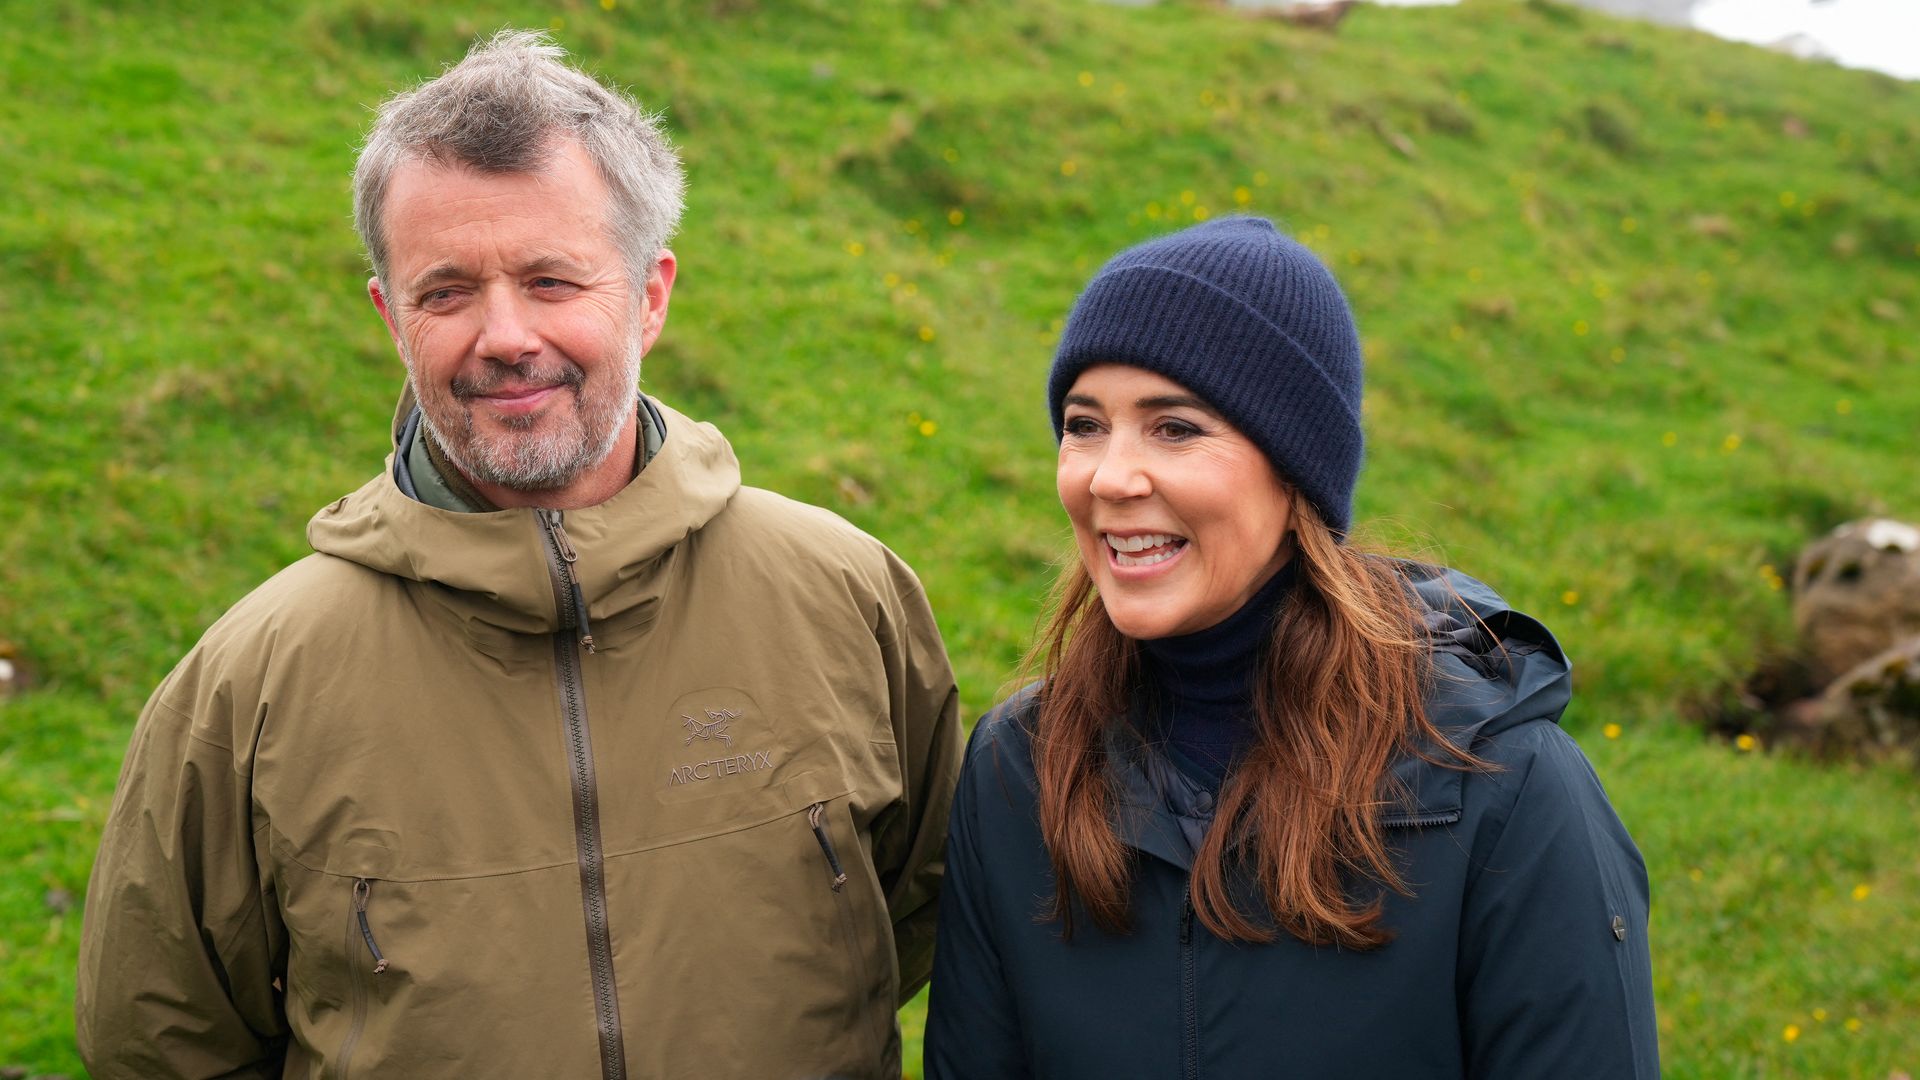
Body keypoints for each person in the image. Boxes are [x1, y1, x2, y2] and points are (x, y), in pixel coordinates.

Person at [75, 31, 960, 1080]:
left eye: (551, 280)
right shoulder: (251, 681)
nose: (503, 336)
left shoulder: (845, 593)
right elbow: (160, 1040)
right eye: (445, 291)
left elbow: (928, 911)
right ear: (388, 317)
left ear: (651, 294)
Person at [924, 217, 1658, 1078]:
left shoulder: (1503, 787)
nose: (1108, 477)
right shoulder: (1019, 770)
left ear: (1295, 471)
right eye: (1085, 424)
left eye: (1176, 428)